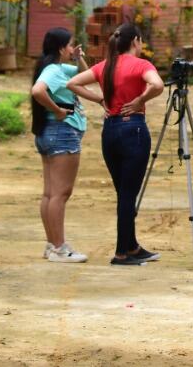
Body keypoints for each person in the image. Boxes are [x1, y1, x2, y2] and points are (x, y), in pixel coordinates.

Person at [67, 22, 165, 266]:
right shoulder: (141, 64)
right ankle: (121, 253)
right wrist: (140, 98)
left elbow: (73, 83)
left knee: (124, 192)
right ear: (136, 41)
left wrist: (100, 99)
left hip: (110, 131)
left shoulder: (105, 66)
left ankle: (131, 246)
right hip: (134, 129)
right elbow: (158, 85)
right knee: (128, 194)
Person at [30, 27, 100, 263]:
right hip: (62, 133)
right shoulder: (52, 70)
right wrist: (58, 110)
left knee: (51, 193)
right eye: (70, 45)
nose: (73, 48)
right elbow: (38, 91)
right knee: (61, 193)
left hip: (51, 134)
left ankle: (52, 245)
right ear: (60, 48)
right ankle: (60, 248)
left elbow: (88, 75)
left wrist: (78, 56)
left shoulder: (57, 68)